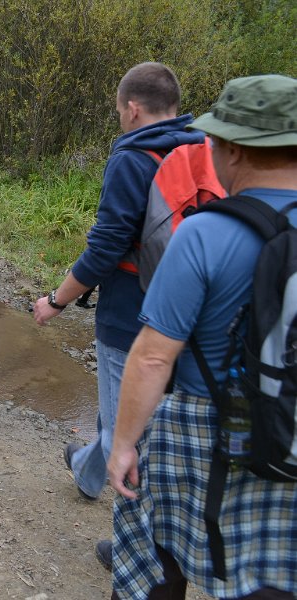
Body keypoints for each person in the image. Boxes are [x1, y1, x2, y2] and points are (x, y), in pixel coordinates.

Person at [106, 74, 297, 600]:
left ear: (233, 150)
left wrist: (123, 445)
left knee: (154, 556)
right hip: (290, 430)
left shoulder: (204, 234)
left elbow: (152, 358)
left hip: (203, 430)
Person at [32, 63, 204, 549]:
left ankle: (136, 549)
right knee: (127, 412)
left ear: (131, 109)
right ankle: (87, 472)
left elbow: (106, 247)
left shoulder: (133, 157)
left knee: (126, 429)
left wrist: (55, 300)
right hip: (188, 308)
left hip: (131, 313)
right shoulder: (202, 149)